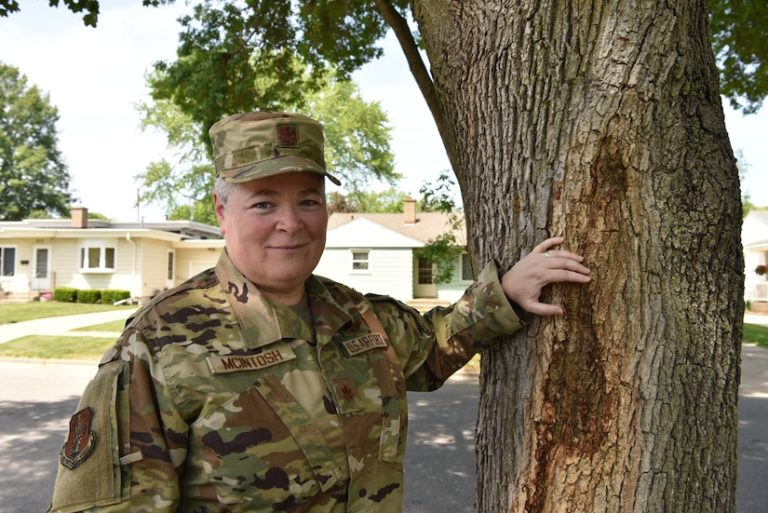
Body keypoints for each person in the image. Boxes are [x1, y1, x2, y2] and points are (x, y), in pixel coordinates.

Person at [47, 112, 591, 513]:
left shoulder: (353, 314)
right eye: (264, 202)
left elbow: (431, 348)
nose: (292, 221)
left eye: (308, 200)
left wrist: (506, 293)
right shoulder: (159, 345)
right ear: (221, 209)